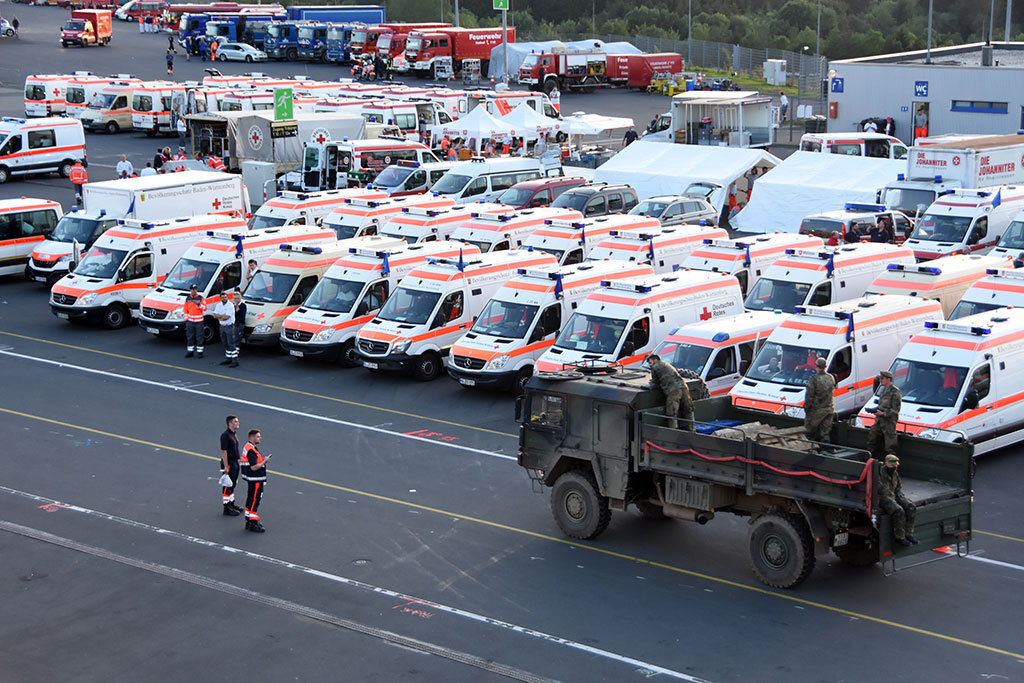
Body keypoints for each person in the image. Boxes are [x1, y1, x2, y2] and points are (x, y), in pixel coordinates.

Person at [646, 353, 694, 431]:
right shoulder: (667, 364)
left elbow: (655, 382)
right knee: (688, 408)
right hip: (684, 387)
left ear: (656, 360)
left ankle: (673, 430)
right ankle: (692, 428)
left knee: (672, 411)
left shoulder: (655, 367)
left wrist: (649, 386)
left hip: (673, 390)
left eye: (650, 362)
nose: (650, 365)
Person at [880, 454, 917, 546]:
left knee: (911, 507)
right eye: (892, 465)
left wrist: (901, 498)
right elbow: (880, 491)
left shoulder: (895, 474)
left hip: (894, 495)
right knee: (899, 511)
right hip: (883, 498)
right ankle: (899, 537)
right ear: (886, 463)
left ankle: (908, 533)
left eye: (895, 465)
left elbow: (898, 488)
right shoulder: (880, 474)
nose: (894, 467)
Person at [867, 370, 902, 458]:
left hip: (889, 422)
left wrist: (883, 413)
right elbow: (882, 405)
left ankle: (890, 462)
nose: (880, 380)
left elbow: (895, 410)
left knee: (890, 445)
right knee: (872, 438)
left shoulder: (895, 393)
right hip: (879, 420)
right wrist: (874, 410)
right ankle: (869, 457)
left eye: (882, 378)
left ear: (888, 379)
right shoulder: (883, 390)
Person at [241, 428, 268, 532]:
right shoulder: (251, 450)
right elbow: (254, 467)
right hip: (255, 478)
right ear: (252, 437)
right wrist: (264, 461)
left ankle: (249, 519)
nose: (260, 438)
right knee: (255, 499)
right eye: (258, 436)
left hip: (251, 478)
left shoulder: (248, 447)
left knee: (250, 498)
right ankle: (252, 522)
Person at [804, 357, 836, 443]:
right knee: (825, 432)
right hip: (829, 409)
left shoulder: (814, 379)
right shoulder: (831, 377)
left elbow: (809, 396)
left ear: (816, 366)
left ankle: (810, 449)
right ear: (825, 366)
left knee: (809, 432)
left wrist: (807, 408)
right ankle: (825, 449)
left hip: (816, 410)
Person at [219, 415, 243, 516]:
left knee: (232, 484)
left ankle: (231, 504)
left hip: (235, 462)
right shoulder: (226, 435)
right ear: (230, 423)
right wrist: (226, 466)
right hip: (229, 463)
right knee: (227, 486)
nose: (238, 423)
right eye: (235, 422)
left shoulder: (234, 434)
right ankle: (226, 507)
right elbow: (224, 451)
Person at [212, 292, 238, 367]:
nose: (224, 298)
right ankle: (228, 358)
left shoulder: (230, 305)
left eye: (225, 297)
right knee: (225, 342)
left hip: (229, 326)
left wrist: (219, 316)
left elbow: (226, 317)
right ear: (220, 298)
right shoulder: (218, 305)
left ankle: (235, 360)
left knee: (231, 342)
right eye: (223, 297)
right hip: (222, 326)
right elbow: (214, 316)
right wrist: (221, 316)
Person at [183, 283, 206, 358]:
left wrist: (199, 304)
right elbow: (185, 310)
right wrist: (186, 320)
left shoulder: (200, 298)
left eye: (195, 289)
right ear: (190, 290)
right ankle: (190, 350)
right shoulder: (188, 298)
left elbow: (205, 308)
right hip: (190, 322)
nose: (194, 291)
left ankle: (200, 352)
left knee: (199, 336)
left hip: (199, 322)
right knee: (190, 336)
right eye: (193, 289)